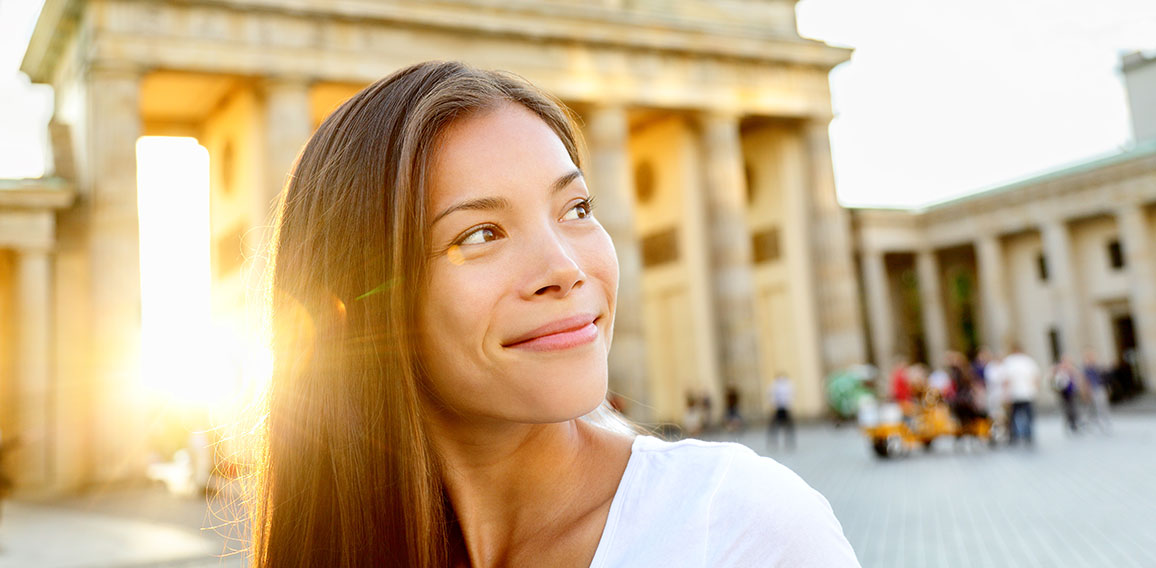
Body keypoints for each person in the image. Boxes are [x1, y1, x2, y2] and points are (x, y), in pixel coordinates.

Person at [252, 61, 859, 567]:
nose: (565, 267)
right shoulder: (333, 547)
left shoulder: (734, 527)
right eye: (481, 234)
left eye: (575, 208)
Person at [1001, 343, 1041, 447]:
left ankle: (1015, 436)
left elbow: (1006, 380)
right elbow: (1036, 377)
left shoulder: (1009, 361)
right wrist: (1035, 390)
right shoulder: (1028, 361)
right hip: (1027, 393)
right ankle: (1028, 435)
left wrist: (1006, 394)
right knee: (1027, 415)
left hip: (1015, 394)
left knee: (1014, 416)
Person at [1082, 350, 1112, 434]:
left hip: (1100, 387)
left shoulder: (1096, 367)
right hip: (1093, 389)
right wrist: (1086, 391)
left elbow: (1102, 377)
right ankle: (1099, 421)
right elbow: (1086, 380)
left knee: (1103, 405)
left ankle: (1104, 420)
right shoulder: (1087, 368)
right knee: (1096, 406)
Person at [767, 373, 796, 450]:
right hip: (778, 408)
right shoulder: (774, 385)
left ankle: (789, 442)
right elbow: (772, 396)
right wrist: (773, 406)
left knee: (788, 427)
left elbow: (791, 395)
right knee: (774, 427)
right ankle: (774, 442)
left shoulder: (788, 385)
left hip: (785, 408)